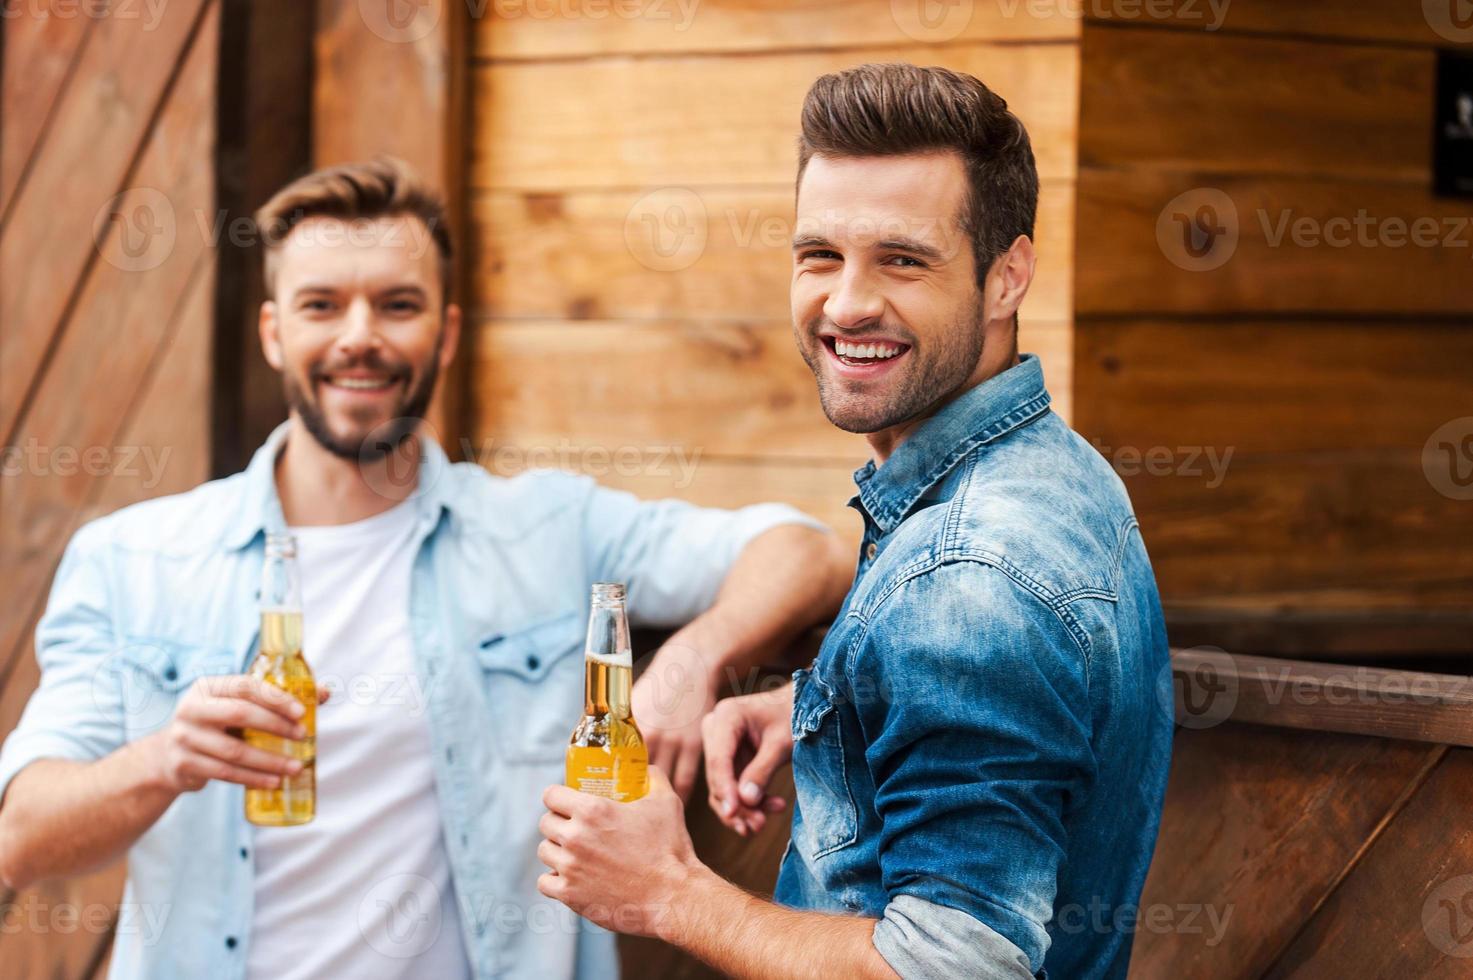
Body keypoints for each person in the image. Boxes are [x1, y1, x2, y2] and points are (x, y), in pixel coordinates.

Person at [0, 157, 853, 980]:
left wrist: (693, 657)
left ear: (444, 334)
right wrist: (169, 759)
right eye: (322, 305)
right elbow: (22, 836)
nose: (359, 336)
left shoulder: (549, 529)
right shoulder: (131, 560)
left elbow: (804, 551)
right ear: (274, 332)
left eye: (396, 304)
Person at [536, 63, 1173, 979]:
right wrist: (823, 711)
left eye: (902, 260)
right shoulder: (1055, 472)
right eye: (818, 255)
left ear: (1008, 275)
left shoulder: (966, 575)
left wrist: (666, 890)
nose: (845, 304)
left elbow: (952, 967)